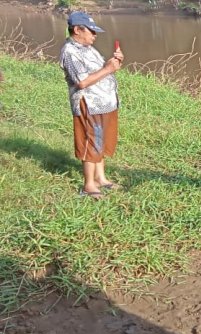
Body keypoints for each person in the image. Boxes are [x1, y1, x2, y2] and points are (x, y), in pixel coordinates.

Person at [60, 11, 123, 200]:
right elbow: (81, 82)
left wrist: (114, 63)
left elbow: (101, 71)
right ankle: (89, 185)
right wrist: (108, 69)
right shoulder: (70, 52)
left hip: (105, 103)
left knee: (101, 141)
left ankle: (101, 178)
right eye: (91, 32)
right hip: (89, 103)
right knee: (91, 142)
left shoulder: (87, 48)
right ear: (77, 30)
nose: (94, 36)